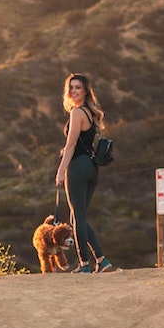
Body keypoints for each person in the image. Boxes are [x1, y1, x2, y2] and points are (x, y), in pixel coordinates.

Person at [54, 73, 115, 274]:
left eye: (78, 87)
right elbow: (82, 143)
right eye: (71, 87)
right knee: (78, 217)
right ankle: (102, 260)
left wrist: (61, 171)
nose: (73, 91)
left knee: (77, 217)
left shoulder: (77, 112)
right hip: (91, 168)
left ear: (86, 90)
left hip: (78, 168)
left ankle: (84, 264)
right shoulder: (91, 113)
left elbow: (71, 144)